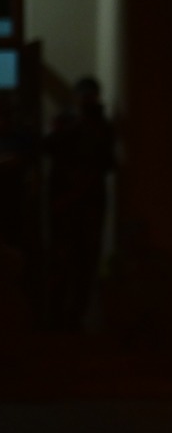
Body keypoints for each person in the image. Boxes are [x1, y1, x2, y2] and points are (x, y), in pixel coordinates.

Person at [45, 76, 115, 330]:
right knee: (61, 260)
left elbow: (106, 163)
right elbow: (49, 146)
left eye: (90, 96)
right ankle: (56, 315)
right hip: (66, 202)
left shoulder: (101, 125)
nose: (86, 101)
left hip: (87, 204)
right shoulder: (66, 121)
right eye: (83, 96)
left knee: (85, 263)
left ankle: (75, 316)